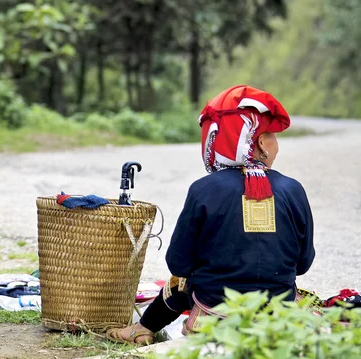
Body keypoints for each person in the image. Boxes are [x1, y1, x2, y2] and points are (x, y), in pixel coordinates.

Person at [107, 85, 315, 344]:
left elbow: (179, 263)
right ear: (260, 142)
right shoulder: (293, 189)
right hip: (277, 314)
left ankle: (142, 328)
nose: (277, 145)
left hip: (217, 312)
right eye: (273, 136)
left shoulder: (203, 189)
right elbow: (303, 264)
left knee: (180, 280)